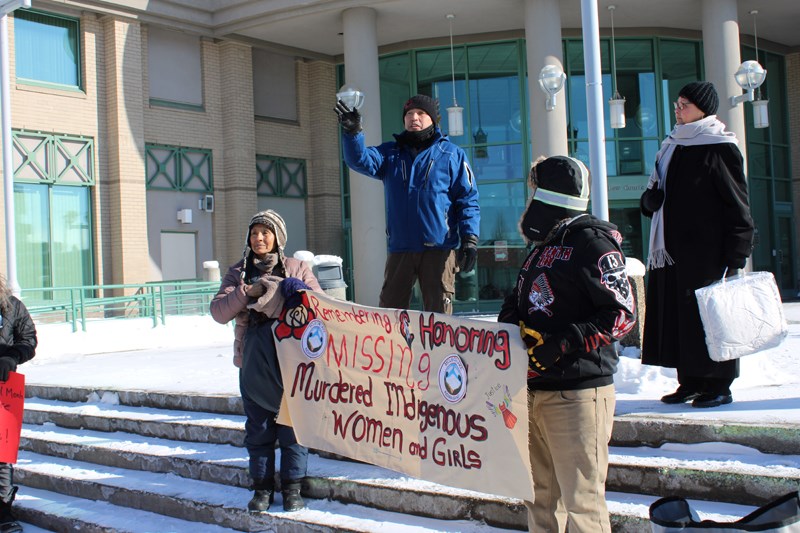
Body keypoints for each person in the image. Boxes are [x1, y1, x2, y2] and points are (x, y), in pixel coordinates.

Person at [499, 155, 636, 533]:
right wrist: (512, 323)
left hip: (577, 394)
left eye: (533, 190)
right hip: (532, 390)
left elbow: (622, 315)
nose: (528, 202)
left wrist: (562, 343)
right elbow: (517, 298)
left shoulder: (593, 242)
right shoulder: (541, 248)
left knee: (582, 503)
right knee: (538, 497)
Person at [639, 81, 754, 409]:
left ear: (703, 108)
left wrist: (737, 252)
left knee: (711, 319)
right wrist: (650, 200)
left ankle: (719, 385)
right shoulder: (671, 145)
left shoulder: (719, 146)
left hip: (708, 253)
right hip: (673, 252)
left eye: (684, 104)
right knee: (681, 318)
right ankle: (688, 381)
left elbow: (737, 204)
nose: (677, 109)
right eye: (676, 103)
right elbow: (654, 194)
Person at [210, 210, 322, 513]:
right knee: (258, 428)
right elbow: (219, 312)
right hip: (254, 363)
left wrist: (298, 291)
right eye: (255, 232)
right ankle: (261, 488)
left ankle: (292, 487)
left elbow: (320, 306)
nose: (259, 238)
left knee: (292, 427)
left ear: (278, 237)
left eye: (266, 232)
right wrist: (246, 293)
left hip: (293, 362)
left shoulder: (298, 267)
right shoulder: (238, 273)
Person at [335, 94, 480, 314]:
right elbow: (359, 160)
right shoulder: (391, 154)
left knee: (439, 317)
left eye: (421, 113)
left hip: (439, 248)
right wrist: (352, 133)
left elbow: (467, 199)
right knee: (390, 313)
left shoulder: (451, 155)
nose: (414, 117)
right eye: (410, 114)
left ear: (433, 119)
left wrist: (470, 239)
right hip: (401, 247)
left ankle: (437, 351)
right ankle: (393, 350)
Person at [0, 276, 38, 533]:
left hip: (4, 389)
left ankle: (2, 511)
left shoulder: (12, 306)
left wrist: (12, 357)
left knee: (2, 454)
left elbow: (28, 340)